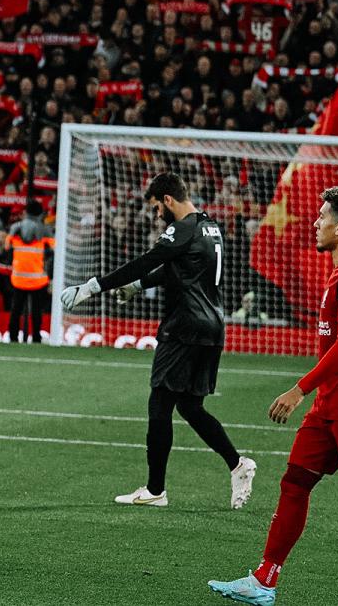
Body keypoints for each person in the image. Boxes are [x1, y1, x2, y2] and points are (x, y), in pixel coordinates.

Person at [209, 187, 338, 606]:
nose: (314, 224)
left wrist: (299, 390)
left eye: (320, 218)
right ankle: (264, 581)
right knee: (294, 482)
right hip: (330, 404)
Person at [60, 172, 255, 509]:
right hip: (212, 327)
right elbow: (177, 268)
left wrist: (93, 287)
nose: (155, 217)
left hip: (183, 328)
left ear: (168, 200)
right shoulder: (210, 227)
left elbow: (148, 260)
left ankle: (155, 490)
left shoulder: (181, 228)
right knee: (191, 407)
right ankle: (238, 465)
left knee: (160, 405)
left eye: (155, 209)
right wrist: (138, 286)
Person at [6, 201, 52, 343]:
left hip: (18, 277)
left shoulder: (15, 228)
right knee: (36, 311)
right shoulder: (44, 230)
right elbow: (53, 250)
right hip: (38, 278)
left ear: (26, 212)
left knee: (16, 310)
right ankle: (36, 338)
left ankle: (13, 338)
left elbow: (7, 247)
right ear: (40, 213)